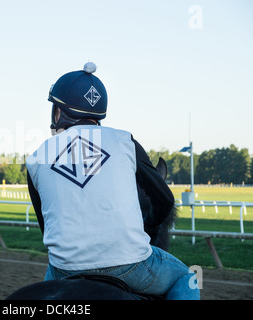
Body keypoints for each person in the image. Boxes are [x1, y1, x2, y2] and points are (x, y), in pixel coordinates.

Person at [25, 62, 200, 300]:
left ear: (59, 111)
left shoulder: (36, 157)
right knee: (187, 278)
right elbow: (165, 200)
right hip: (131, 265)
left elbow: (47, 226)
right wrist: (148, 228)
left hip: (64, 268)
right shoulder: (125, 140)